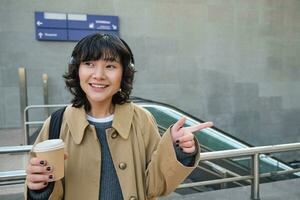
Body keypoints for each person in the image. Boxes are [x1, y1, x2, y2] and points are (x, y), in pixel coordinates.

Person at [25, 33, 213, 200]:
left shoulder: (141, 120)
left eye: (110, 66)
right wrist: (38, 189)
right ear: (77, 69)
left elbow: (155, 186)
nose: (98, 75)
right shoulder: (56, 124)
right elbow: (40, 188)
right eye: (89, 64)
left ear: (124, 74)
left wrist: (177, 150)